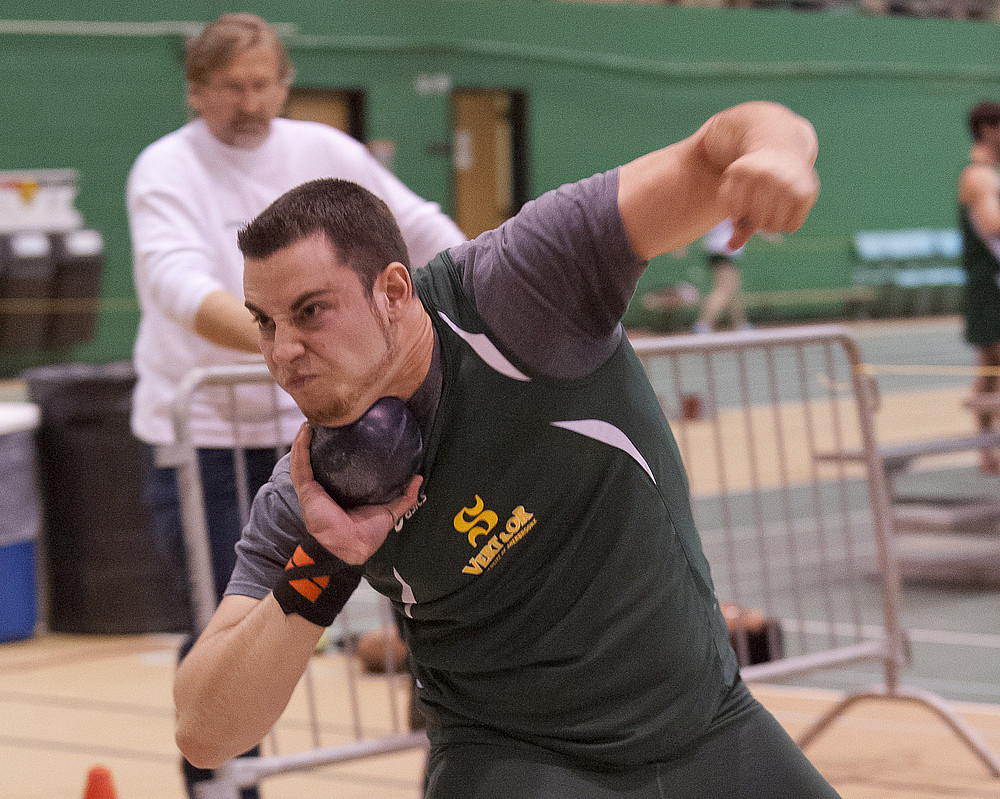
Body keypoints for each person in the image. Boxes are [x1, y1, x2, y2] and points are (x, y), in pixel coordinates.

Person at [174, 101, 833, 798]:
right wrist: (321, 565)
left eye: (310, 312)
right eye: (265, 323)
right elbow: (204, 730)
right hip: (520, 765)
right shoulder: (314, 492)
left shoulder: (521, 287)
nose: (282, 351)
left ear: (393, 290)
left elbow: (724, 143)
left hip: (707, 722)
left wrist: (778, 154)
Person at [126, 12, 464, 797]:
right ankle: (224, 784)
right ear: (196, 90)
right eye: (231, 87)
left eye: (263, 84)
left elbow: (426, 229)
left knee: (420, 602)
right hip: (207, 442)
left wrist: (469, 306)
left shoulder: (326, 151)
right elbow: (178, 286)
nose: (250, 101)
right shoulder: (165, 169)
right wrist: (296, 345)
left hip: (336, 435)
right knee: (228, 627)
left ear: (285, 83)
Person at [957, 100, 1000, 474]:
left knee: (991, 368)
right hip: (990, 286)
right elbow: (991, 225)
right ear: (989, 130)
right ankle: (986, 449)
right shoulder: (980, 177)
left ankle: (987, 449)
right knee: (991, 367)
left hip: (991, 284)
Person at [692, 217, 751, 333]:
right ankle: (702, 324)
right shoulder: (727, 210)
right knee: (724, 290)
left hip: (722, 251)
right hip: (722, 251)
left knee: (733, 290)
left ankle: (741, 324)